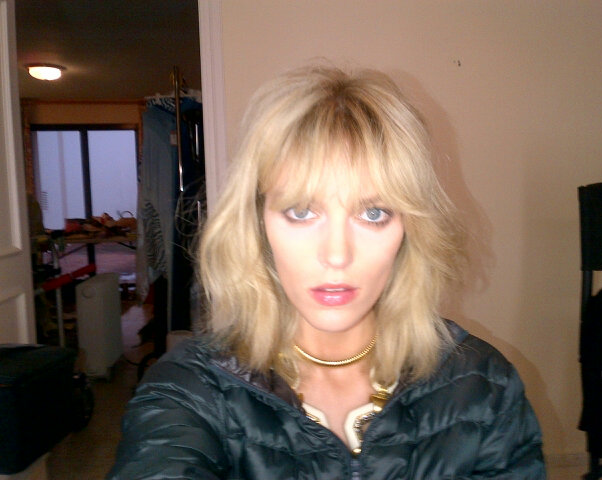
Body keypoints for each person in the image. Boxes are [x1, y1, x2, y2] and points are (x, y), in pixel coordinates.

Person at [108, 66, 546, 479]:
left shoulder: (483, 386)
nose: (337, 255)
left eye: (373, 213)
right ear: (258, 224)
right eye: (301, 211)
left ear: (410, 229)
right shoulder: (189, 390)